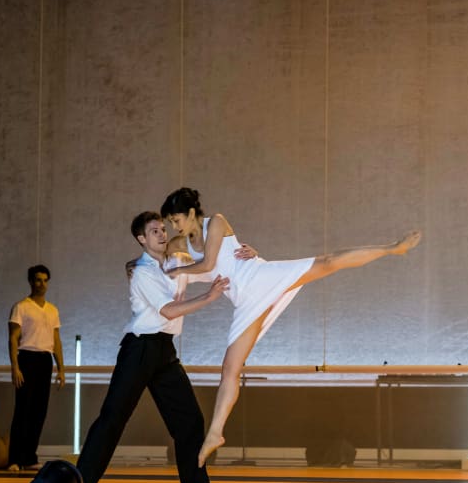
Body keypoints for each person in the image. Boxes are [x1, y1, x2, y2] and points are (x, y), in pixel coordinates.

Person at [160, 187, 422, 467]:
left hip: (260, 277)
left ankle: (393, 247)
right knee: (230, 369)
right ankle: (215, 433)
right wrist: (146, 267)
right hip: (246, 301)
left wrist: (180, 269)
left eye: (176, 220)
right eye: (170, 222)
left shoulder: (216, 222)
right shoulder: (179, 244)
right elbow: (163, 262)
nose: (174, 227)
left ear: (191, 213)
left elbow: (209, 263)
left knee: (328, 262)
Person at [75, 211, 234, 483]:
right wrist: (208, 297)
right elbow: (169, 311)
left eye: (163, 229)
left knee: (190, 419)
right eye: (154, 231)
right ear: (141, 239)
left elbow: (213, 267)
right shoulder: (140, 272)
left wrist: (244, 254)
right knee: (113, 418)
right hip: (139, 349)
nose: (162, 234)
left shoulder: (179, 262)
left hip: (165, 351)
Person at [7, 264, 66, 471]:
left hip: (44, 360)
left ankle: (29, 457)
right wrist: (15, 367)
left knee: (39, 411)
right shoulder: (21, 307)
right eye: (38, 280)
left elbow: (56, 340)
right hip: (27, 358)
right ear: (31, 282)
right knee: (23, 409)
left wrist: (61, 369)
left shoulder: (52, 310)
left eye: (45, 280)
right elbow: (13, 338)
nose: (42, 284)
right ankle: (14, 458)